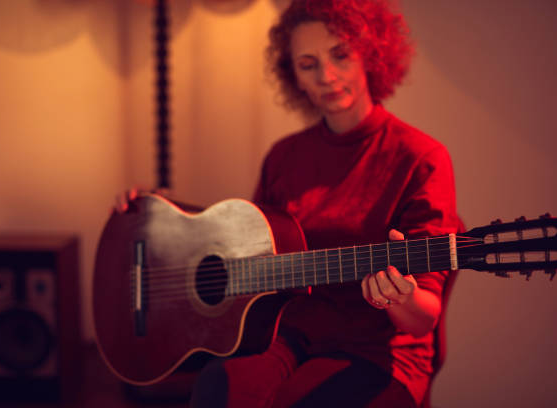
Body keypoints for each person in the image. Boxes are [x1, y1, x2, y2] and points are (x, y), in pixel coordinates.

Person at [189, 0, 460, 407]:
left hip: (378, 353)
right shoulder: (283, 156)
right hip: (286, 338)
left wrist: (401, 297)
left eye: (340, 55)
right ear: (293, 75)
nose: (327, 77)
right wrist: (155, 212)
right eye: (308, 63)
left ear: (369, 55)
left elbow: (424, 317)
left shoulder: (421, 158)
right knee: (217, 385)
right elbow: (244, 254)